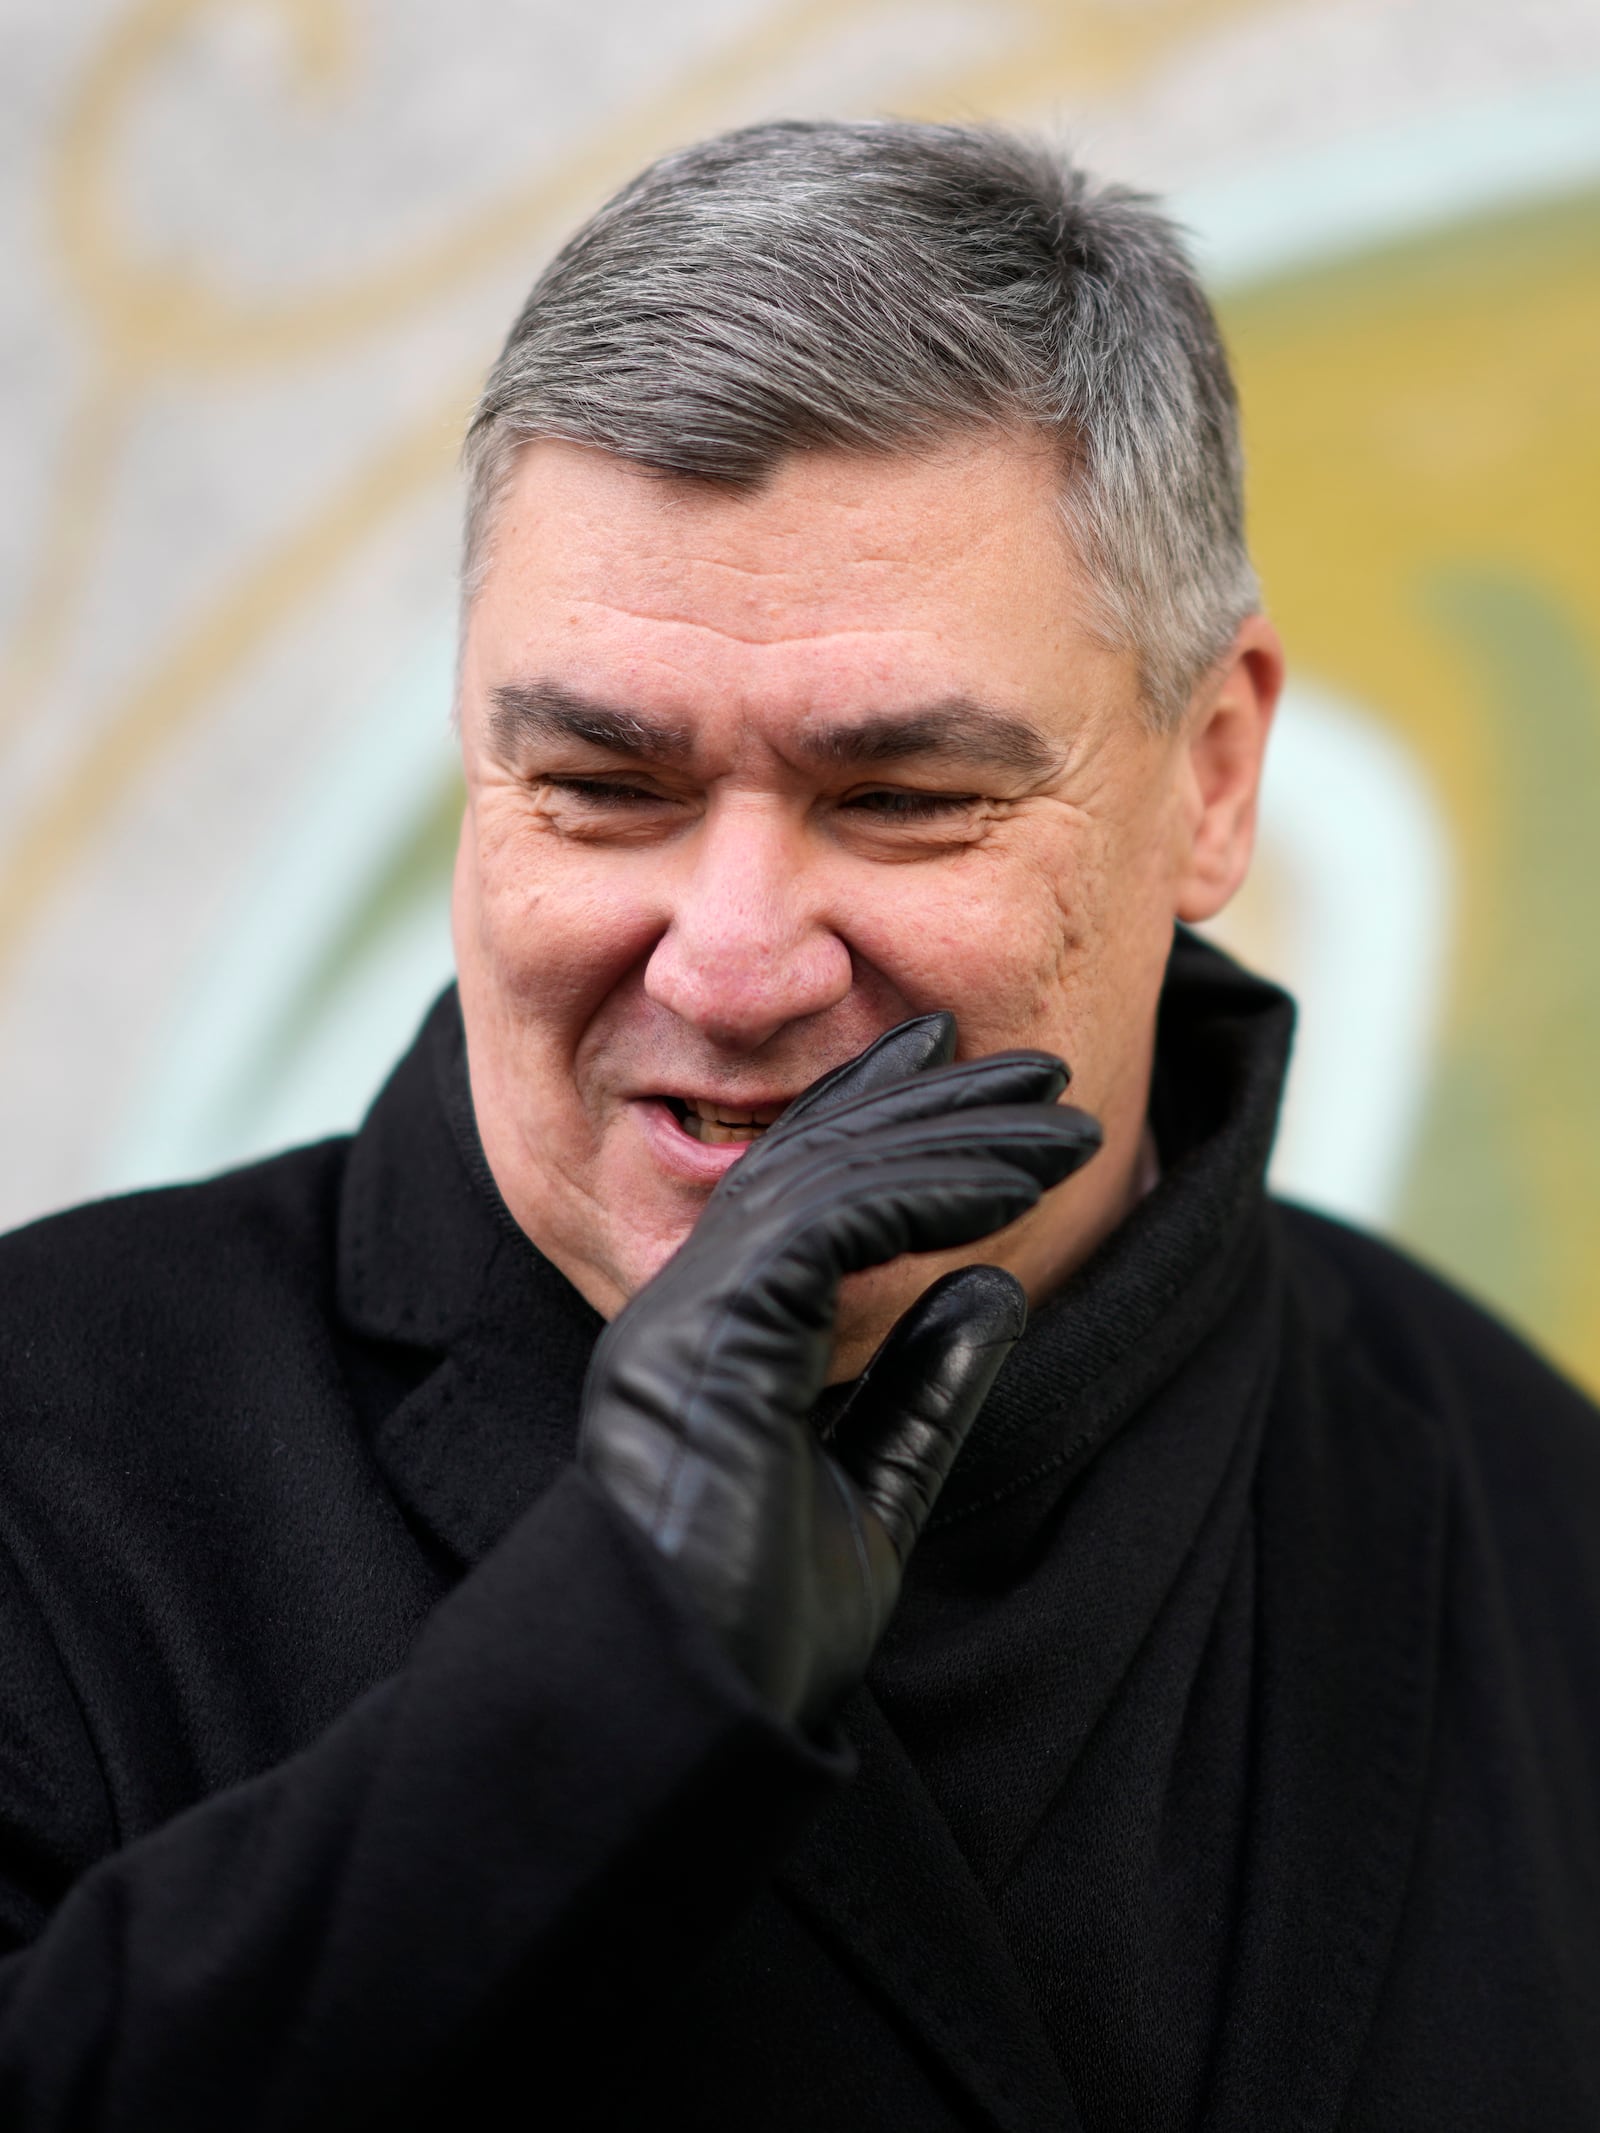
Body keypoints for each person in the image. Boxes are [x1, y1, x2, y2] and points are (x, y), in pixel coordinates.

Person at [0, 119, 1595, 2133]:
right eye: (601, 780)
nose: (732, 962)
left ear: (1207, 776)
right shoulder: (53, 1458)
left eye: (903, 795)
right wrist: (596, 1679)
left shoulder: (1527, 1510)